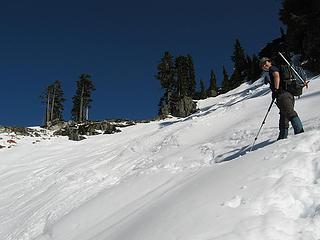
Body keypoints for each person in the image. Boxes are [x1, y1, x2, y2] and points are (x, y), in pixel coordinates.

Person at [260, 57, 304, 140]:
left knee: (290, 113)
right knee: (283, 116)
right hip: (287, 95)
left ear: (270, 62)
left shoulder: (272, 68)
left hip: (283, 95)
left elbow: (276, 75)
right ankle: (282, 138)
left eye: (265, 63)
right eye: (262, 65)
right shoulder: (275, 68)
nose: (264, 65)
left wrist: (276, 90)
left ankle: (300, 133)